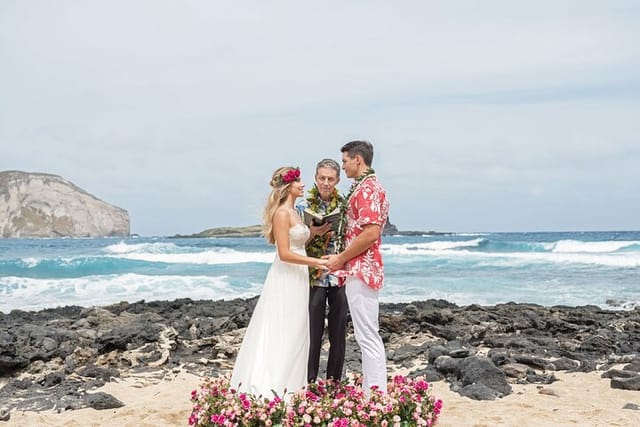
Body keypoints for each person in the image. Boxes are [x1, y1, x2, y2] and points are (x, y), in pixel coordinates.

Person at [230, 166, 328, 397]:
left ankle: (292, 385)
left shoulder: (295, 212)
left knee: (296, 329)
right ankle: (275, 386)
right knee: (284, 328)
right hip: (286, 276)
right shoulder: (282, 214)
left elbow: (298, 242)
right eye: (298, 182)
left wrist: (316, 232)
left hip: (299, 276)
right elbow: (284, 253)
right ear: (288, 187)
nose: (303, 185)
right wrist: (316, 263)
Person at [324, 140, 390, 395]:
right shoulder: (366, 187)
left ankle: (375, 397)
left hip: (361, 268)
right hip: (360, 267)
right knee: (367, 335)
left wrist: (340, 258)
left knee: (367, 336)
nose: (344, 166)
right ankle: (372, 393)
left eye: (344, 161)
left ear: (357, 160)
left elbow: (371, 233)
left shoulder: (366, 190)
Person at [299, 159, 348, 383]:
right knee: (313, 333)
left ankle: (333, 382)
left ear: (337, 180)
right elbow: (296, 242)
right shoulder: (302, 207)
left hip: (339, 275)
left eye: (330, 179)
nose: (326, 183)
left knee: (338, 333)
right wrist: (314, 233)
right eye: (322, 178)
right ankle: (309, 381)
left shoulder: (345, 205)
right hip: (314, 276)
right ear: (315, 178)